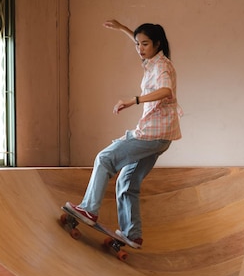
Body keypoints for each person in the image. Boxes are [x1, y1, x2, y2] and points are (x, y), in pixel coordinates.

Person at [65, 19, 182, 249]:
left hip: (150, 134)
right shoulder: (153, 60)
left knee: (105, 159)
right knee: (128, 181)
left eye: (145, 44)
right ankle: (133, 233)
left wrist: (133, 100)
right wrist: (124, 29)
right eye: (138, 44)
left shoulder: (161, 67)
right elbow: (141, 41)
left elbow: (166, 90)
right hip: (163, 137)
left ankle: (89, 210)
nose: (140, 49)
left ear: (157, 44)